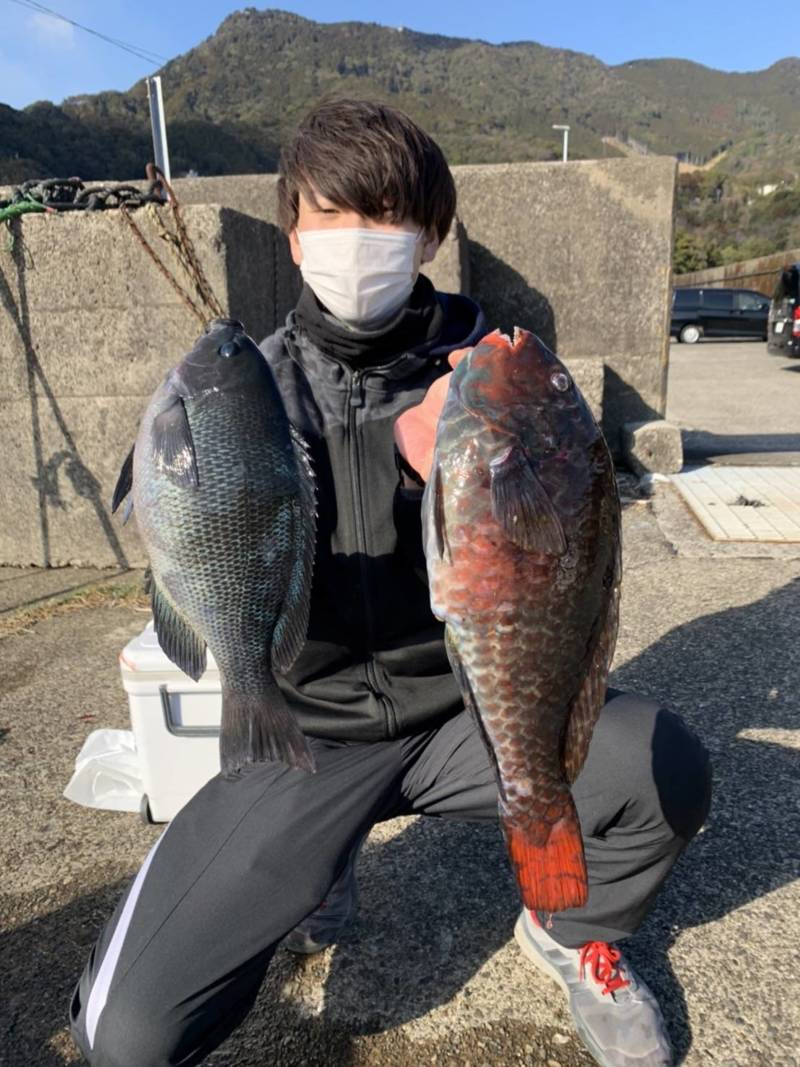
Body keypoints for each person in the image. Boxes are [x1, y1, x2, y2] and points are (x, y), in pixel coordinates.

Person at [68, 98, 711, 1067]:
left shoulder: (489, 376)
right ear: (291, 233)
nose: (354, 241)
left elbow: (567, 537)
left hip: (468, 710)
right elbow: (188, 520)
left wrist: (462, 455)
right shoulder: (246, 386)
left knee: (665, 766)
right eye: (329, 214)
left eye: (384, 216)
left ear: (429, 234)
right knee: (127, 1035)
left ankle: (573, 932)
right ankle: (314, 867)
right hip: (303, 732)